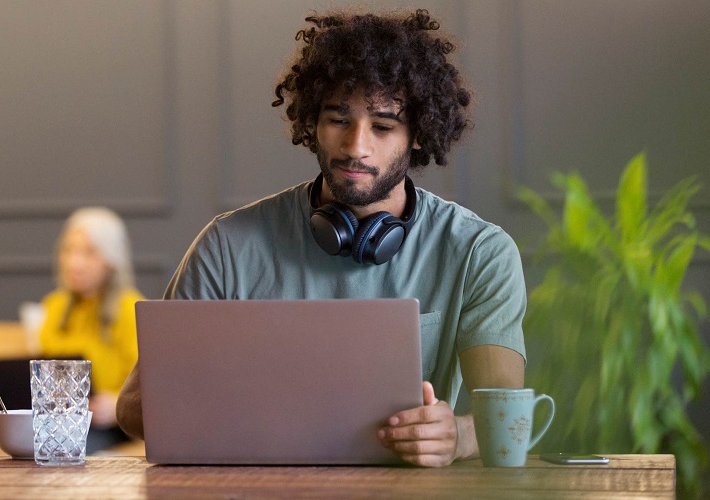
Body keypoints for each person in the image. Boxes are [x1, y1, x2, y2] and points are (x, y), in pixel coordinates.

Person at [116, 8, 526, 467]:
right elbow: (133, 411)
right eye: (338, 119)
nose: (356, 146)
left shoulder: (479, 252)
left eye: (383, 126)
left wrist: (457, 436)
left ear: (417, 134)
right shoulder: (227, 246)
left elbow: (504, 419)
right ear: (312, 121)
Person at [38, 207, 144, 452]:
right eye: (69, 250)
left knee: (57, 446)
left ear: (110, 259)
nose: (74, 262)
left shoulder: (130, 308)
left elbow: (149, 383)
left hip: (108, 426)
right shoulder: (54, 306)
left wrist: (117, 403)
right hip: (59, 419)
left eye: (89, 252)